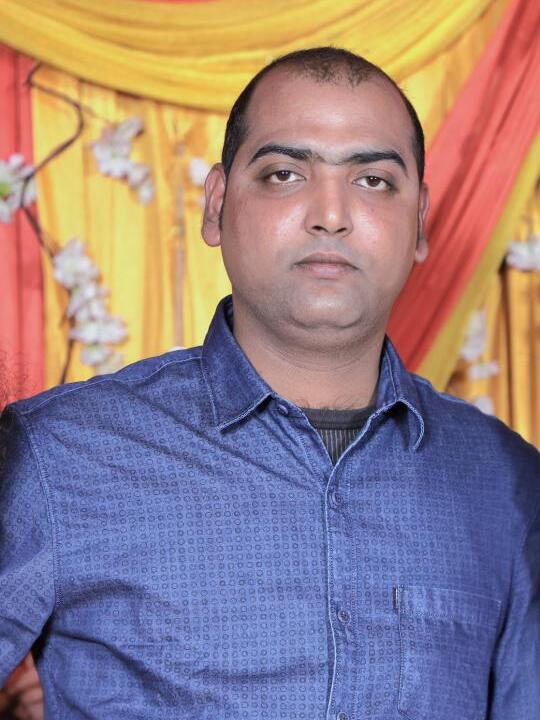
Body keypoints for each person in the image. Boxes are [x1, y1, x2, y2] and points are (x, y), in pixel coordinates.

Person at [0, 47, 538, 720]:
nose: (331, 215)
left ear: (421, 220)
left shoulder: (507, 484)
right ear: (217, 205)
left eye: (373, 180)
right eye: (285, 174)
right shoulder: (59, 457)